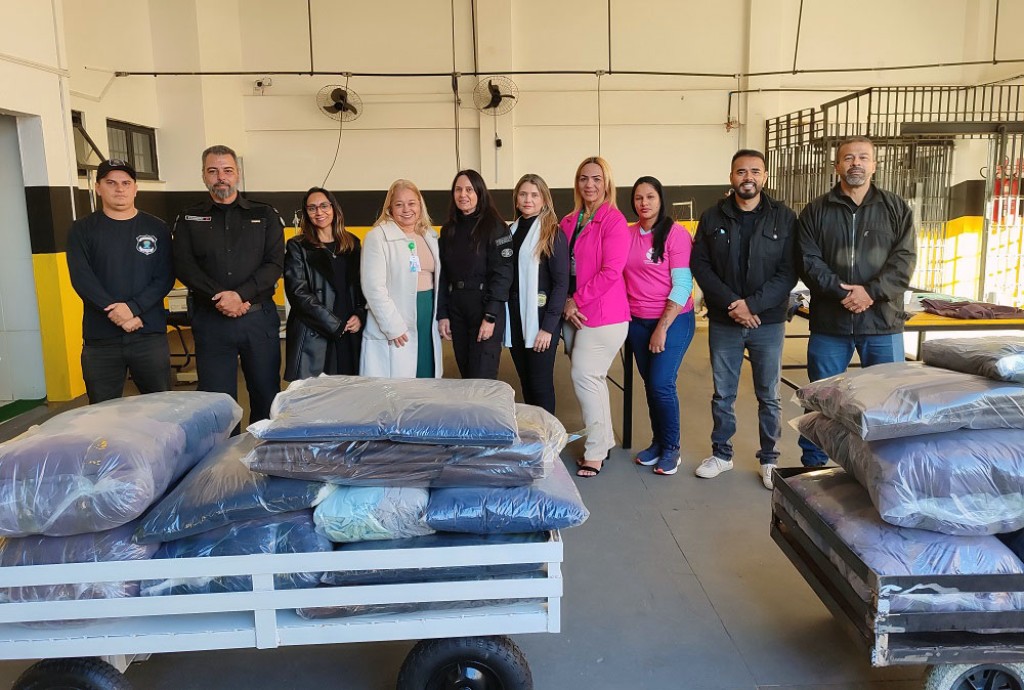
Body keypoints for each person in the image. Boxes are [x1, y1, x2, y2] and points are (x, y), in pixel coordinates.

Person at [797, 136, 916, 467]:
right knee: (821, 399)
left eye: (863, 157)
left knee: (887, 400)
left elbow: (904, 260)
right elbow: (807, 260)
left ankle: (885, 468)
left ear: (874, 165)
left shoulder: (895, 209)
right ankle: (813, 464)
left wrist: (870, 292)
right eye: (849, 158)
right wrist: (842, 292)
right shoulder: (816, 211)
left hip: (882, 323)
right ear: (837, 166)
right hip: (830, 323)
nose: (856, 163)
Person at [690, 150, 798, 490]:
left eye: (754, 171)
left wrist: (752, 306)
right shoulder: (712, 217)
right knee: (723, 394)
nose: (747, 177)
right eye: (741, 171)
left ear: (764, 176)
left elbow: (789, 271)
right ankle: (722, 455)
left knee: (769, 394)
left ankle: (769, 459)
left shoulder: (784, 218)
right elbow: (701, 265)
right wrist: (732, 304)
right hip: (725, 321)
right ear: (731, 176)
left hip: (768, 322)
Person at [172, 144, 284, 425]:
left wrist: (241, 296)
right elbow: (184, 266)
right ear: (203, 175)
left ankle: (261, 450)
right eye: (213, 171)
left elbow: (274, 264)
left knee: (267, 397)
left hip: (257, 320)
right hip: (211, 321)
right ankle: (223, 454)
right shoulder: (188, 217)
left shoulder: (265, 214)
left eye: (227, 170)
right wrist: (222, 298)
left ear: (238, 174)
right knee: (216, 403)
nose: (220, 177)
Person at [66, 159, 175, 404]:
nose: (119, 189)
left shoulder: (157, 228)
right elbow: (82, 278)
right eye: (111, 183)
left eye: (126, 183)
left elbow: (165, 276)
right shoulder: (82, 230)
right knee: (102, 411)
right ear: (98, 188)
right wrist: (118, 313)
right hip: (101, 338)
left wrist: (134, 309)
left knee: (161, 408)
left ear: (135, 188)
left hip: (148, 334)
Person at [560, 156, 631, 478]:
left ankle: (595, 452)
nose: (589, 184)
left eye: (596, 179)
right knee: (594, 379)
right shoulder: (569, 221)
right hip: (574, 312)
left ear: (607, 184)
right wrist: (566, 302)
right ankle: (604, 441)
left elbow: (611, 271)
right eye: (583, 178)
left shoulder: (614, 221)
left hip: (604, 315)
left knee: (584, 376)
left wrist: (575, 301)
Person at [623, 176, 695, 476]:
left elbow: (683, 284)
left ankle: (672, 449)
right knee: (650, 384)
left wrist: (662, 327)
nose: (644, 203)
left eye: (650, 197)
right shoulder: (627, 233)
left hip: (673, 319)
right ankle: (658, 442)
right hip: (637, 321)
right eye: (639, 198)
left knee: (661, 384)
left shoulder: (675, 234)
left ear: (660, 199)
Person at [360, 179, 443, 378]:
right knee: (399, 386)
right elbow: (373, 287)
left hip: (427, 317)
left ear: (420, 205)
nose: (407, 209)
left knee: (427, 376)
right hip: (397, 322)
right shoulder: (377, 237)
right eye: (399, 204)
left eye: (412, 203)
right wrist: (392, 326)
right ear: (390, 208)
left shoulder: (429, 235)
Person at [436, 169, 514, 379]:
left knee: (482, 378)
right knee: (467, 377)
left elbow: (503, 274)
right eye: (458, 189)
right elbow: (442, 275)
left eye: (469, 189)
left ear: (479, 192)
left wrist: (491, 316)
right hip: (457, 308)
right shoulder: (448, 230)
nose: (463, 194)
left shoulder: (496, 227)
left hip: (484, 308)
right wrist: (443, 314)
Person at [503, 174, 569, 414]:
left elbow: (561, 285)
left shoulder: (552, 233)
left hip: (540, 322)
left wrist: (548, 328)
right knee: (527, 383)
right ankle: (535, 434)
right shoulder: (510, 232)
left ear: (544, 199)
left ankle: (548, 436)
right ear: (516, 198)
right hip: (515, 320)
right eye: (523, 194)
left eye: (534, 195)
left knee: (540, 386)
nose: (528, 199)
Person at [283, 187, 365, 380]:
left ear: (334, 208)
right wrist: (334, 325)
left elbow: (362, 287)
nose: (319, 212)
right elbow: (298, 293)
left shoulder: (352, 243)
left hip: (350, 330)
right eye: (312, 208)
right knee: (318, 393)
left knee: (351, 390)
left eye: (324, 206)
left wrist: (360, 314)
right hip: (317, 334)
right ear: (306, 213)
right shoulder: (298, 246)